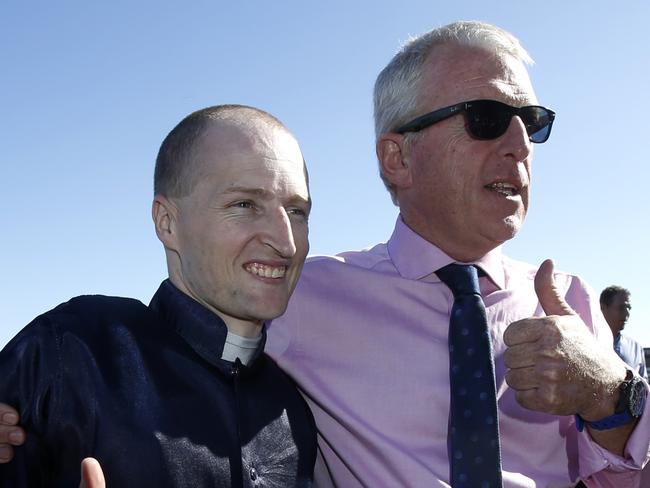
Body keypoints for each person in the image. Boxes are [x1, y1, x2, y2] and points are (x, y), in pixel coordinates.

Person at [264, 21, 650, 486]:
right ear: (397, 158)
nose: (521, 145)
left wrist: (610, 395)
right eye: (485, 118)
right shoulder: (301, 297)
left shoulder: (570, 304)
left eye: (531, 122)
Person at [0, 104, 317, 487]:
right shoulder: (68, 354)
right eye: (245, 205)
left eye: (297, 211)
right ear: (167, 222)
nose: (286, 242)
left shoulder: (293, 412)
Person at [600, 286, 648, 380]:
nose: (627, 313)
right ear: (602, 308)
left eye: (629, 308)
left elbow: (643, 388)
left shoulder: (636, 348)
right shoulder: (589, 343)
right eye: (621, 307)